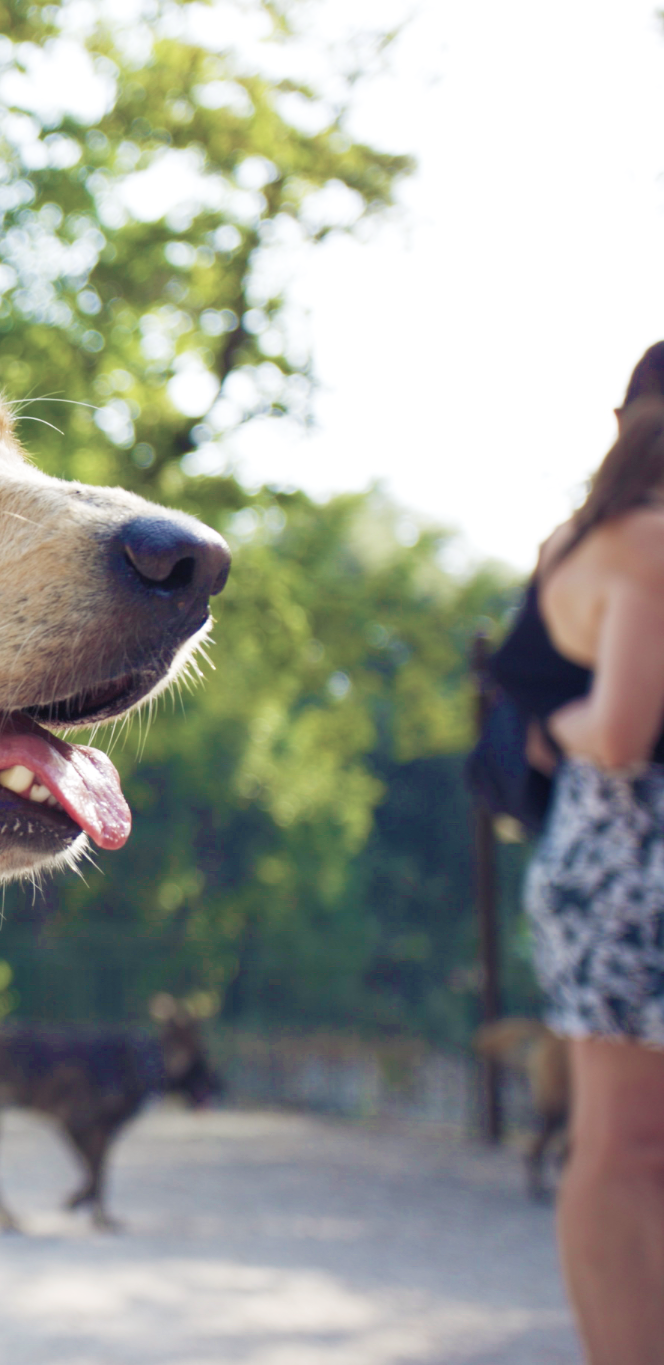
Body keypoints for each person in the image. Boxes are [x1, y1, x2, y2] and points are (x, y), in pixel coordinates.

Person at [493, 340, 664, 1365]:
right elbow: (615, 732)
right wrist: (560, 732)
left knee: (621, 1142)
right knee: (620, 1142)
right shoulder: (642, 542)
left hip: (594, 860)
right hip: (631, 863)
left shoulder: (571, 541)